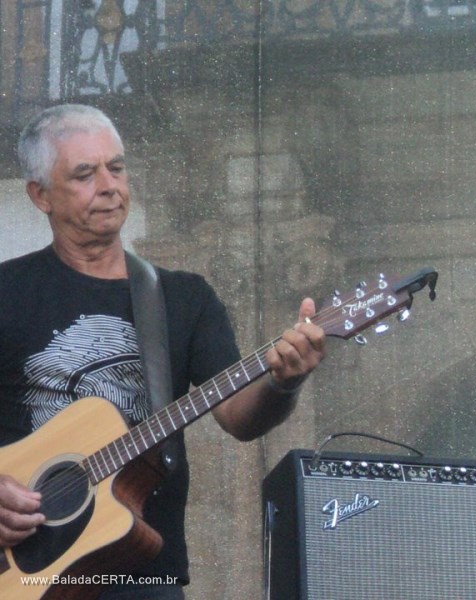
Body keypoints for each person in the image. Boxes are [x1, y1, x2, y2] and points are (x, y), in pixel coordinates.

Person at [0, 104, 326, 599]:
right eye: (85, 174)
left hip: (140, 564)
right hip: (25, 569)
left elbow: (241, 418)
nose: (109, 185)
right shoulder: (7, 291)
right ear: (40, 195)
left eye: (117, 167)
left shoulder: (182, 297)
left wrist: (285, 381)